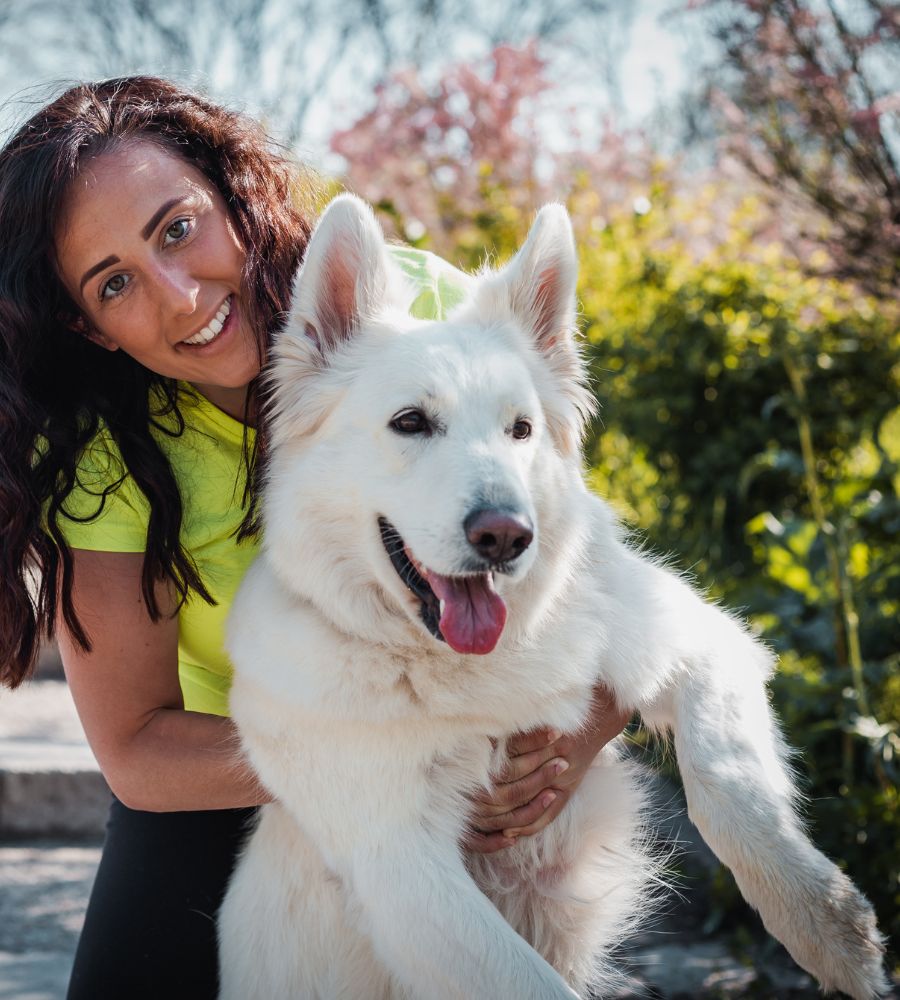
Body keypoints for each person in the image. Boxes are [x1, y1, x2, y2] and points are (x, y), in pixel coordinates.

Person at [0, 76, 630, 999]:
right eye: (116, 284)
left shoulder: (422, 305)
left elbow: (602, 584)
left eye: (179, 228)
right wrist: (381, 757)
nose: (179, 297)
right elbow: (137, 750)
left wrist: (578, 737)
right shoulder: (111, 467)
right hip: (238, 768)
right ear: (84, 327)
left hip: (495, 749)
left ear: (233, 195)